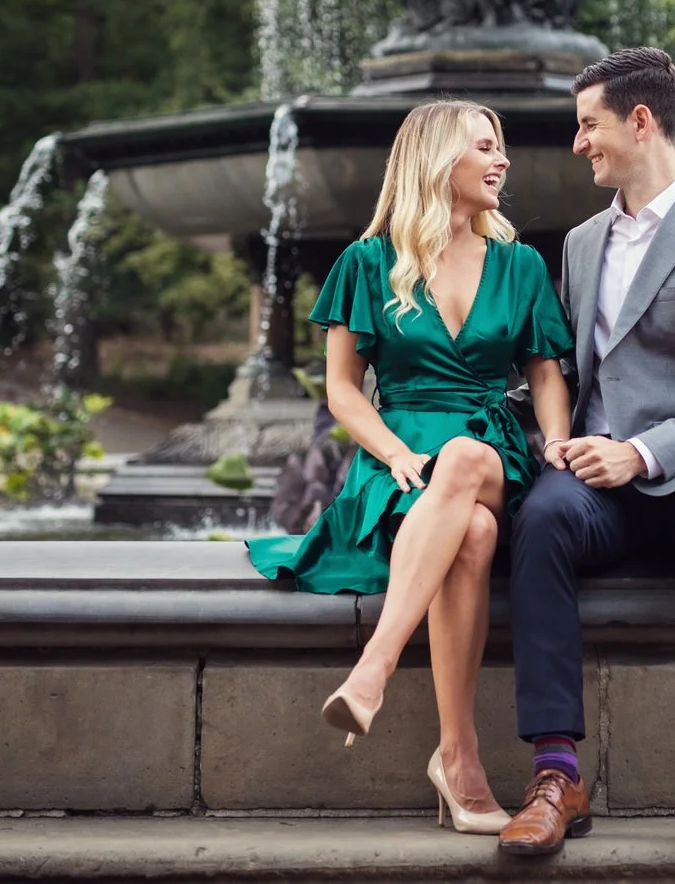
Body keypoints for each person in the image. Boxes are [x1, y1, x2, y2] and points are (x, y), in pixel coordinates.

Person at [247, 100, 575, 835]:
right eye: (486, 147)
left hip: (489, 447)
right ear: (438, 159)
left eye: (502, 148)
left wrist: (554, 442)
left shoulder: (520, 264)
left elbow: (546, 372)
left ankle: (375, 667)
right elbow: (341, 389)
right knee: (476, 537)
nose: (503, 161)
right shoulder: (366, 262)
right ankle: (457, 759)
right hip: (397, 463)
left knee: (462, 463)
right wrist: (394, 452)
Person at [498, 48, 675, 863]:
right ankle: (556, 775)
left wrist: (640, 453)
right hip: (601, 482)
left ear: (641, 121)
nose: (579, 141)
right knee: (542, 516)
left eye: (589, 124)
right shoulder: (582, 243)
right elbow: (572, 371)